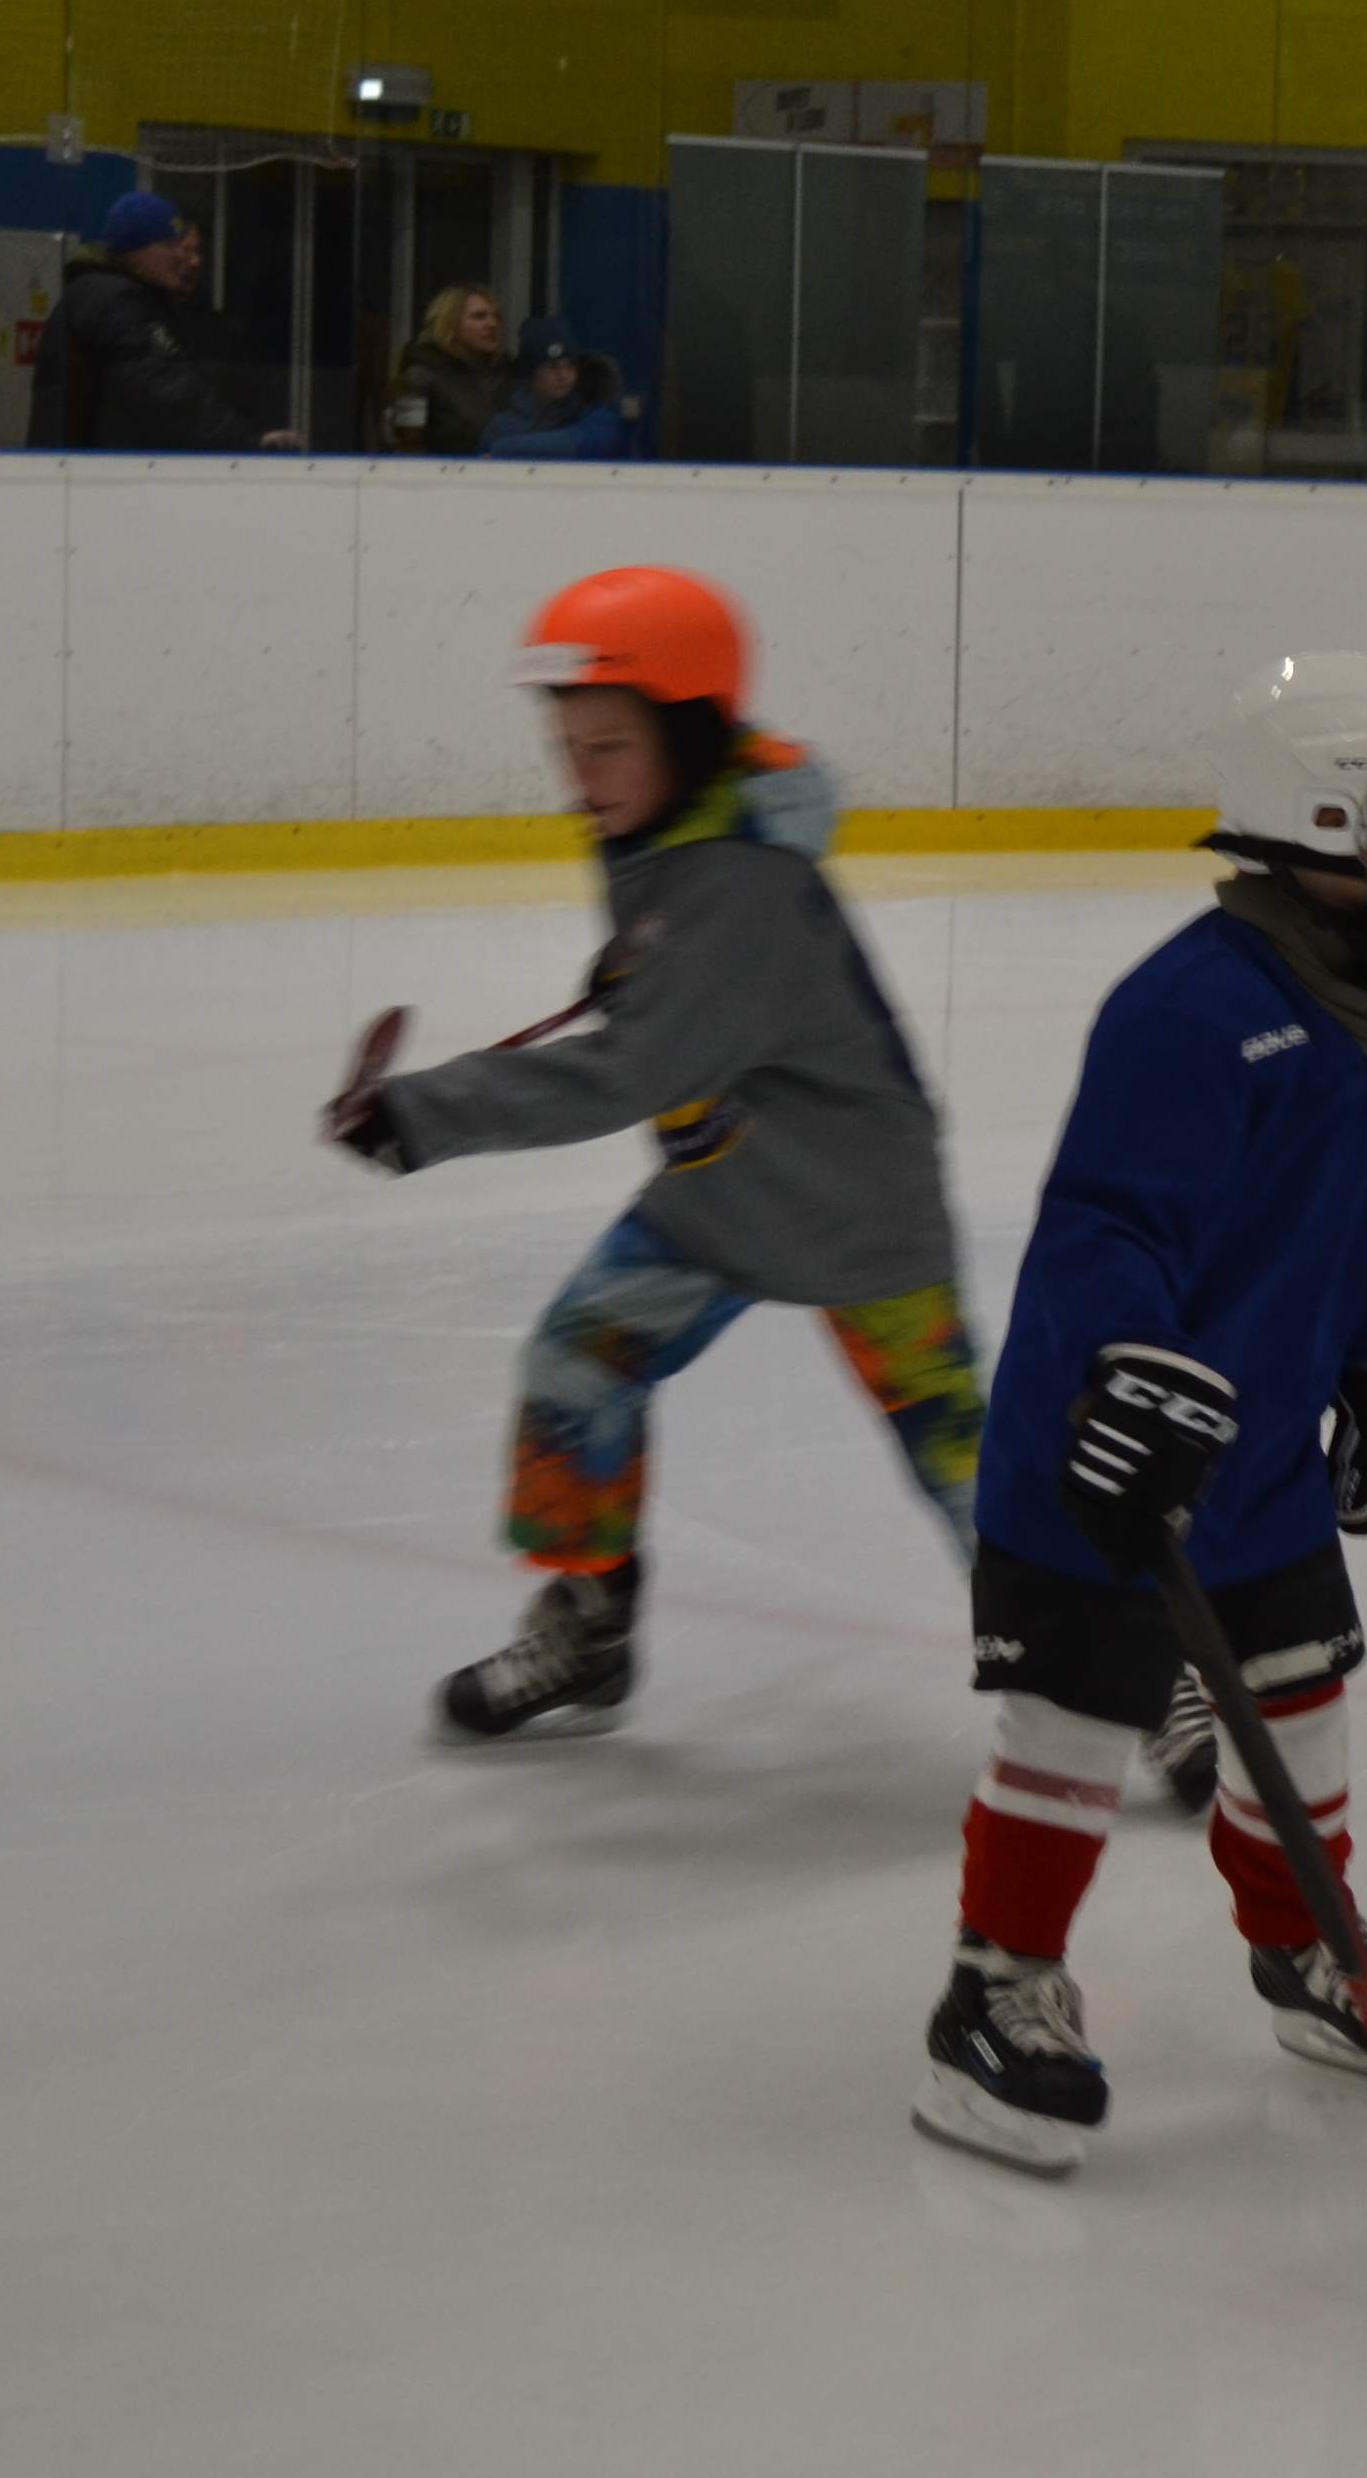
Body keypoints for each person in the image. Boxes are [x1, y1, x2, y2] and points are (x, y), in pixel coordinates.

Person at [909, 653, 1367, 2178]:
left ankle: (1306, 1951)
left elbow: (1350, 1250)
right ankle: (992, 1995)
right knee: (1070, 1728)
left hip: (1260, 1470)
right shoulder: (1188, 1011)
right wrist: (1130, 1373)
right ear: (1330, 820)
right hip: (1104, 1449)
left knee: (1303, 1714)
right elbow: (1102, 1229)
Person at [324, 567, 983, 1741]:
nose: (581, 779)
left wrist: (419, 1115)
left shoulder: (739, 881)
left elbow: (633, 1069)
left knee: (965, 1462)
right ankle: (590, 1623)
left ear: (686, 733)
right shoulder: (674, 819)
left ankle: (1137, 1668)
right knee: (579, 1365)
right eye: (567, 749)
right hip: (719, 1189)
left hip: (855, 1206)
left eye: (609, 748)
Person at [29, 189, 304, 451]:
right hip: (94, 473)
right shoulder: (116, 303)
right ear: (134, 251)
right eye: (170, 245)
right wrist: (246, 441)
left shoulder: (123, 298)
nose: (185, 257)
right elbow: (166, 393)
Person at [481, 315, 637, 459]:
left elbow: (581, 442)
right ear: (532, 374)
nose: (563, 376)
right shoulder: (501, 426)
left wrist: (500, 450)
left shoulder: (595, 410)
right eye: (552, 367)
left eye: (569, 366)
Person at [383, 284, 512, 453]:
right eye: (479, 317)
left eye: (497, 317)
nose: (493, 324)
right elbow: (405, 448)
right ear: (449, 324)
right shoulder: (420, 379)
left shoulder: (511, 375)